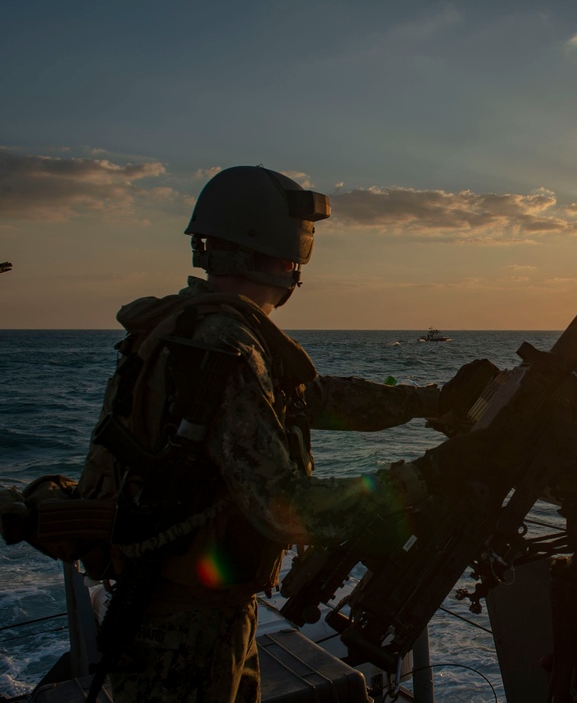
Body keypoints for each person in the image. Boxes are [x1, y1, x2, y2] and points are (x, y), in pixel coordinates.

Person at [2, 166, 496, 702]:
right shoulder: (226, 349)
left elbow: (313, 397)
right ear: (289, 256)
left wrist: (431, 401)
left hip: (190, 611)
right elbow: (287, 510)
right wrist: (429, 475)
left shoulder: (191, 331)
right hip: (185, 634)